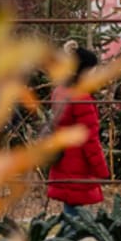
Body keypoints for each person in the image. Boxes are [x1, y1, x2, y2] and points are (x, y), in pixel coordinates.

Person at [47, 42, 110, 208]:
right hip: (78, 165)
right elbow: (90, 139)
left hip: (62, 161)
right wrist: (102, 170)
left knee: (70, 212)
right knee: (75, 218)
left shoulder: (59, 91)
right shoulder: (81, 98)